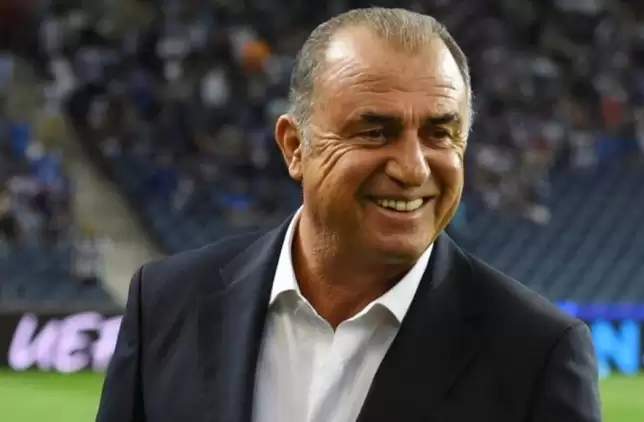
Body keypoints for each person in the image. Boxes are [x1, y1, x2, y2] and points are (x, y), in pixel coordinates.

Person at [96, 8, 601, 422]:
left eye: (440, 134)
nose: (412, 168)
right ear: (295, 147)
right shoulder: (165, 304)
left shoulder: (536, 354)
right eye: (375, 132)